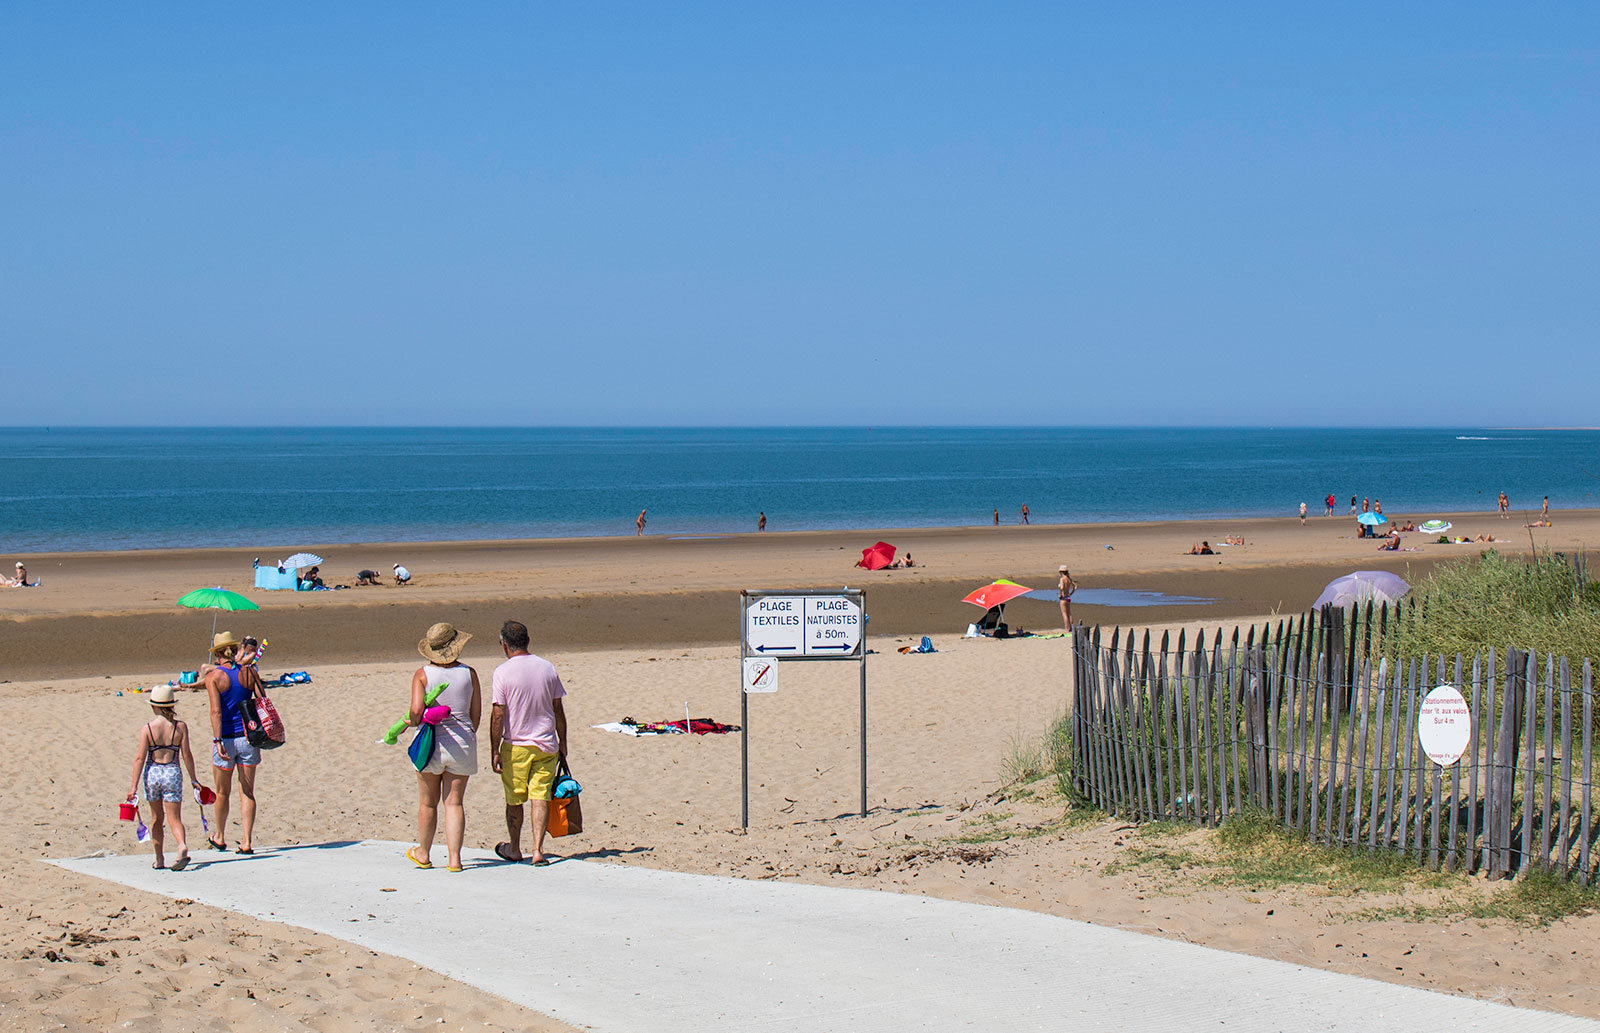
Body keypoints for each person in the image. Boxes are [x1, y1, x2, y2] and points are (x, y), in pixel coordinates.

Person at [490, 619, 568, 866]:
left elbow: (498, 713)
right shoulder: (547, 667)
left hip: (516, 746)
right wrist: (563, 741)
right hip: (546, 742)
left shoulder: (502, 672)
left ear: (504, 644)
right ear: (527, 641)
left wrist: (494, 749)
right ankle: (537, 850)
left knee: (515, 799)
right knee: (540, 796)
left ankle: (514, 847)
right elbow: (558, 709)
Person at [406, 622, 482, 872]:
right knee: (454, 803)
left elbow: (417, 711)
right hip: (462, 742)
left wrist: (410, 721)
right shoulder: (469, 673)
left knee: (428, 803)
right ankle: (454, 860)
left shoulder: (423, 674)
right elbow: (476, 715)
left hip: (432, 744)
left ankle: (424, 853)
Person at [125, 684, 203, 871]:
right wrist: (194, 779)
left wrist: (133, 787)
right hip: (172, 771)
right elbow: (187, 755)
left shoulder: (148, 729)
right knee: (174, 817)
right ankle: (181, 845)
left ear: (154, 706)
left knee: (156, 819)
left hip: (153, 772)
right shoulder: (180, 727)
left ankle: (159, 859)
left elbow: (139, 758)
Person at [203, 632, 264, 853]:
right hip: (249, 738)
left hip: (227, 738)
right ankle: (247, 841)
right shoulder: (248, 673)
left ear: (218, 653)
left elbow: (216, 712)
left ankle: (219, 836)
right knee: (247, 792)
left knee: (222, 792)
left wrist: (217, 739)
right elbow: (261, 698)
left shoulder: (215, 677)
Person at [1057, 566, 1078, 632]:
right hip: (1068, 597)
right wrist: (1071, 593)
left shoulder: (1062, 579)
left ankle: (1067, 628)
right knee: (1069, 613)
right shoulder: (1068, 579)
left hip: (1064, 597)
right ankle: (1071, 627)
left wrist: (1060, 594)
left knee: (1064, 613)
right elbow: (1075, 586)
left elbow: (1062, 587)